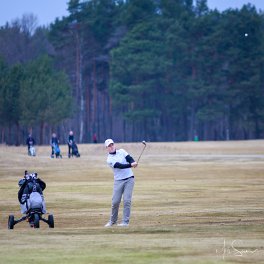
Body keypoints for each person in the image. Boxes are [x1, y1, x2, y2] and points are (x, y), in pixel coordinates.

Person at [104, 139, 137, 227]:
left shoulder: (122, 151)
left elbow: (129, 158)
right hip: (118, 181)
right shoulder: (109, 159)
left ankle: (125, 222)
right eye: (109, 146)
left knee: (127, 201)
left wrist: (132, 162)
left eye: (112, 145)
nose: (111, 147)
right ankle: (113, 221)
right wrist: (131, 165)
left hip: (129, 179)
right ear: (106, 148)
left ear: (114, 145)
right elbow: (120, 166)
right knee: (115, 202)